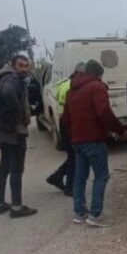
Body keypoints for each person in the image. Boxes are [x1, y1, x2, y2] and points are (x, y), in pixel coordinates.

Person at [63, 59, 125, 227]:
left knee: (80, 177)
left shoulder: (71, 90)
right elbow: (104, 111)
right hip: (94, 139)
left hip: (77, 140)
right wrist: (119, 130)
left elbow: (66, 118)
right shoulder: (97, 87)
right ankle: (95, 215)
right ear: (98, 74)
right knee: (101, 175)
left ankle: (79, 213)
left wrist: (73, 136)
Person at [0, 55, 38, 219]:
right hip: (13, 132)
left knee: (4, 167)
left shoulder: (7, 79)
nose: (24, 69)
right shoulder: (12, 80)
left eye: (26, 66)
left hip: (4, 130)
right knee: (16, 169)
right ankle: (16, 207)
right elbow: (9, 95)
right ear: (13, 66)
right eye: (21, 66)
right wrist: (18, 117)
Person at [46, 62, 86, 196]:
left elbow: (59, 101)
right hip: (71, 122)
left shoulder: (64, 83)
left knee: (72, 154)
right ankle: (69, 187)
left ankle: (57, 176)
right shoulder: (74, 85)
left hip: (64, 122)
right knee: (74, 155)